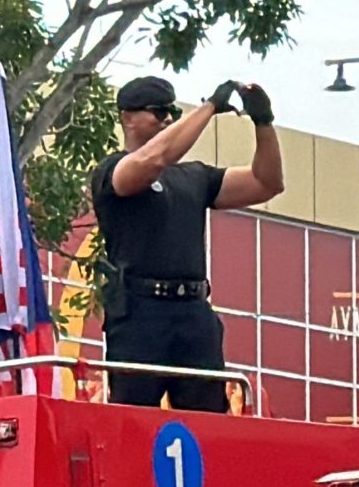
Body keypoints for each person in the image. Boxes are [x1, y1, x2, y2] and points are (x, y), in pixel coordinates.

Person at [91, 77, 284, 412]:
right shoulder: (112, 171)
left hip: (193, 311)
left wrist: (263, 122)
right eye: (157, 111)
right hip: (139, 313)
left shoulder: (194, 176)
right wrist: (208, 108)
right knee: (133, 419)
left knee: (207, 421)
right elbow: (151, 161)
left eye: (172, 112)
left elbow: (266, 183)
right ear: (127, 117)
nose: (167, 118)